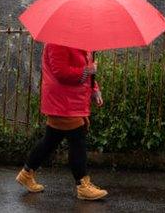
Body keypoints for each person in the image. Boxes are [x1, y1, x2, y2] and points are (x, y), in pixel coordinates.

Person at [16, 43, 108, 201]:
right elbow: (61, 72)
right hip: (62, 101)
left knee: (50, 141)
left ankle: (26, 173)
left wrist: (94, 90)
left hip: (71, 100)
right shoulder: (56, 42)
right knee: (77, 139)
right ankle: (82, 185)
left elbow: (87, 68)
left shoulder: (80, 40)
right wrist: (87, 71)